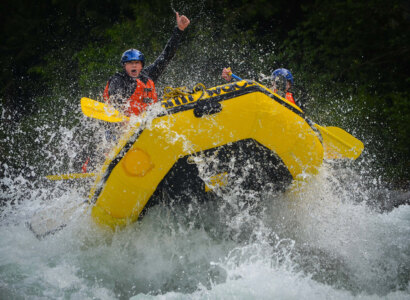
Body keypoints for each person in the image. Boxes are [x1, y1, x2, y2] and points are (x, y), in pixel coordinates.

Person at [103, 12, 190, 116]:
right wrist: (122, 120)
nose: (134, 66)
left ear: (141, 65)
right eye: (130, 63)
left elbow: (167, 55)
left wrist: (179, 30)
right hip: (122, 128)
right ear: (124, 66)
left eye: (137, 63)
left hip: (146, 124)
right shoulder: (118, 80)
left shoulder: (148, 76)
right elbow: (115, 101)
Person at [221, 67, 304, 108]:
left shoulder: (294, 98)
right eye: (279, 82)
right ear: (273, 82)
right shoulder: (266, 92)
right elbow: (246, 88)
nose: (285, 86)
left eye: (287, 83)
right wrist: (231, 78)